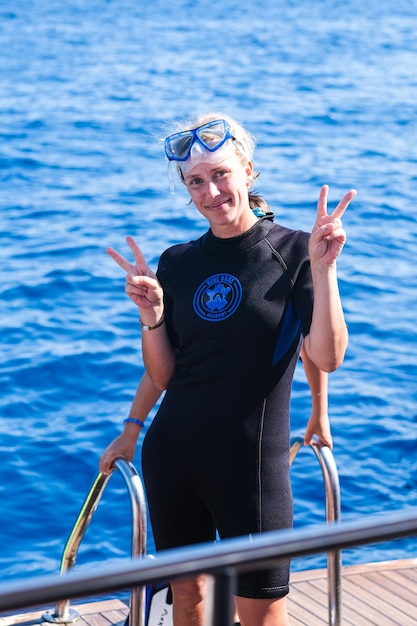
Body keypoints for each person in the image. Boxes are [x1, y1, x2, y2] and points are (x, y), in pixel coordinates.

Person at [100, 113, 355, 626]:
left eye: (220, 174)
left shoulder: (294, 253)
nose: (210, 191)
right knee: (188, 603)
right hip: (174, 458)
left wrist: (325, 271)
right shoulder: (176, 262)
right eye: (195, 181)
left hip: (252, 467)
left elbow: (324, 355)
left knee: (260, 615)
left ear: (247, 171)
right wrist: (151, 320)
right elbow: (166, 373)